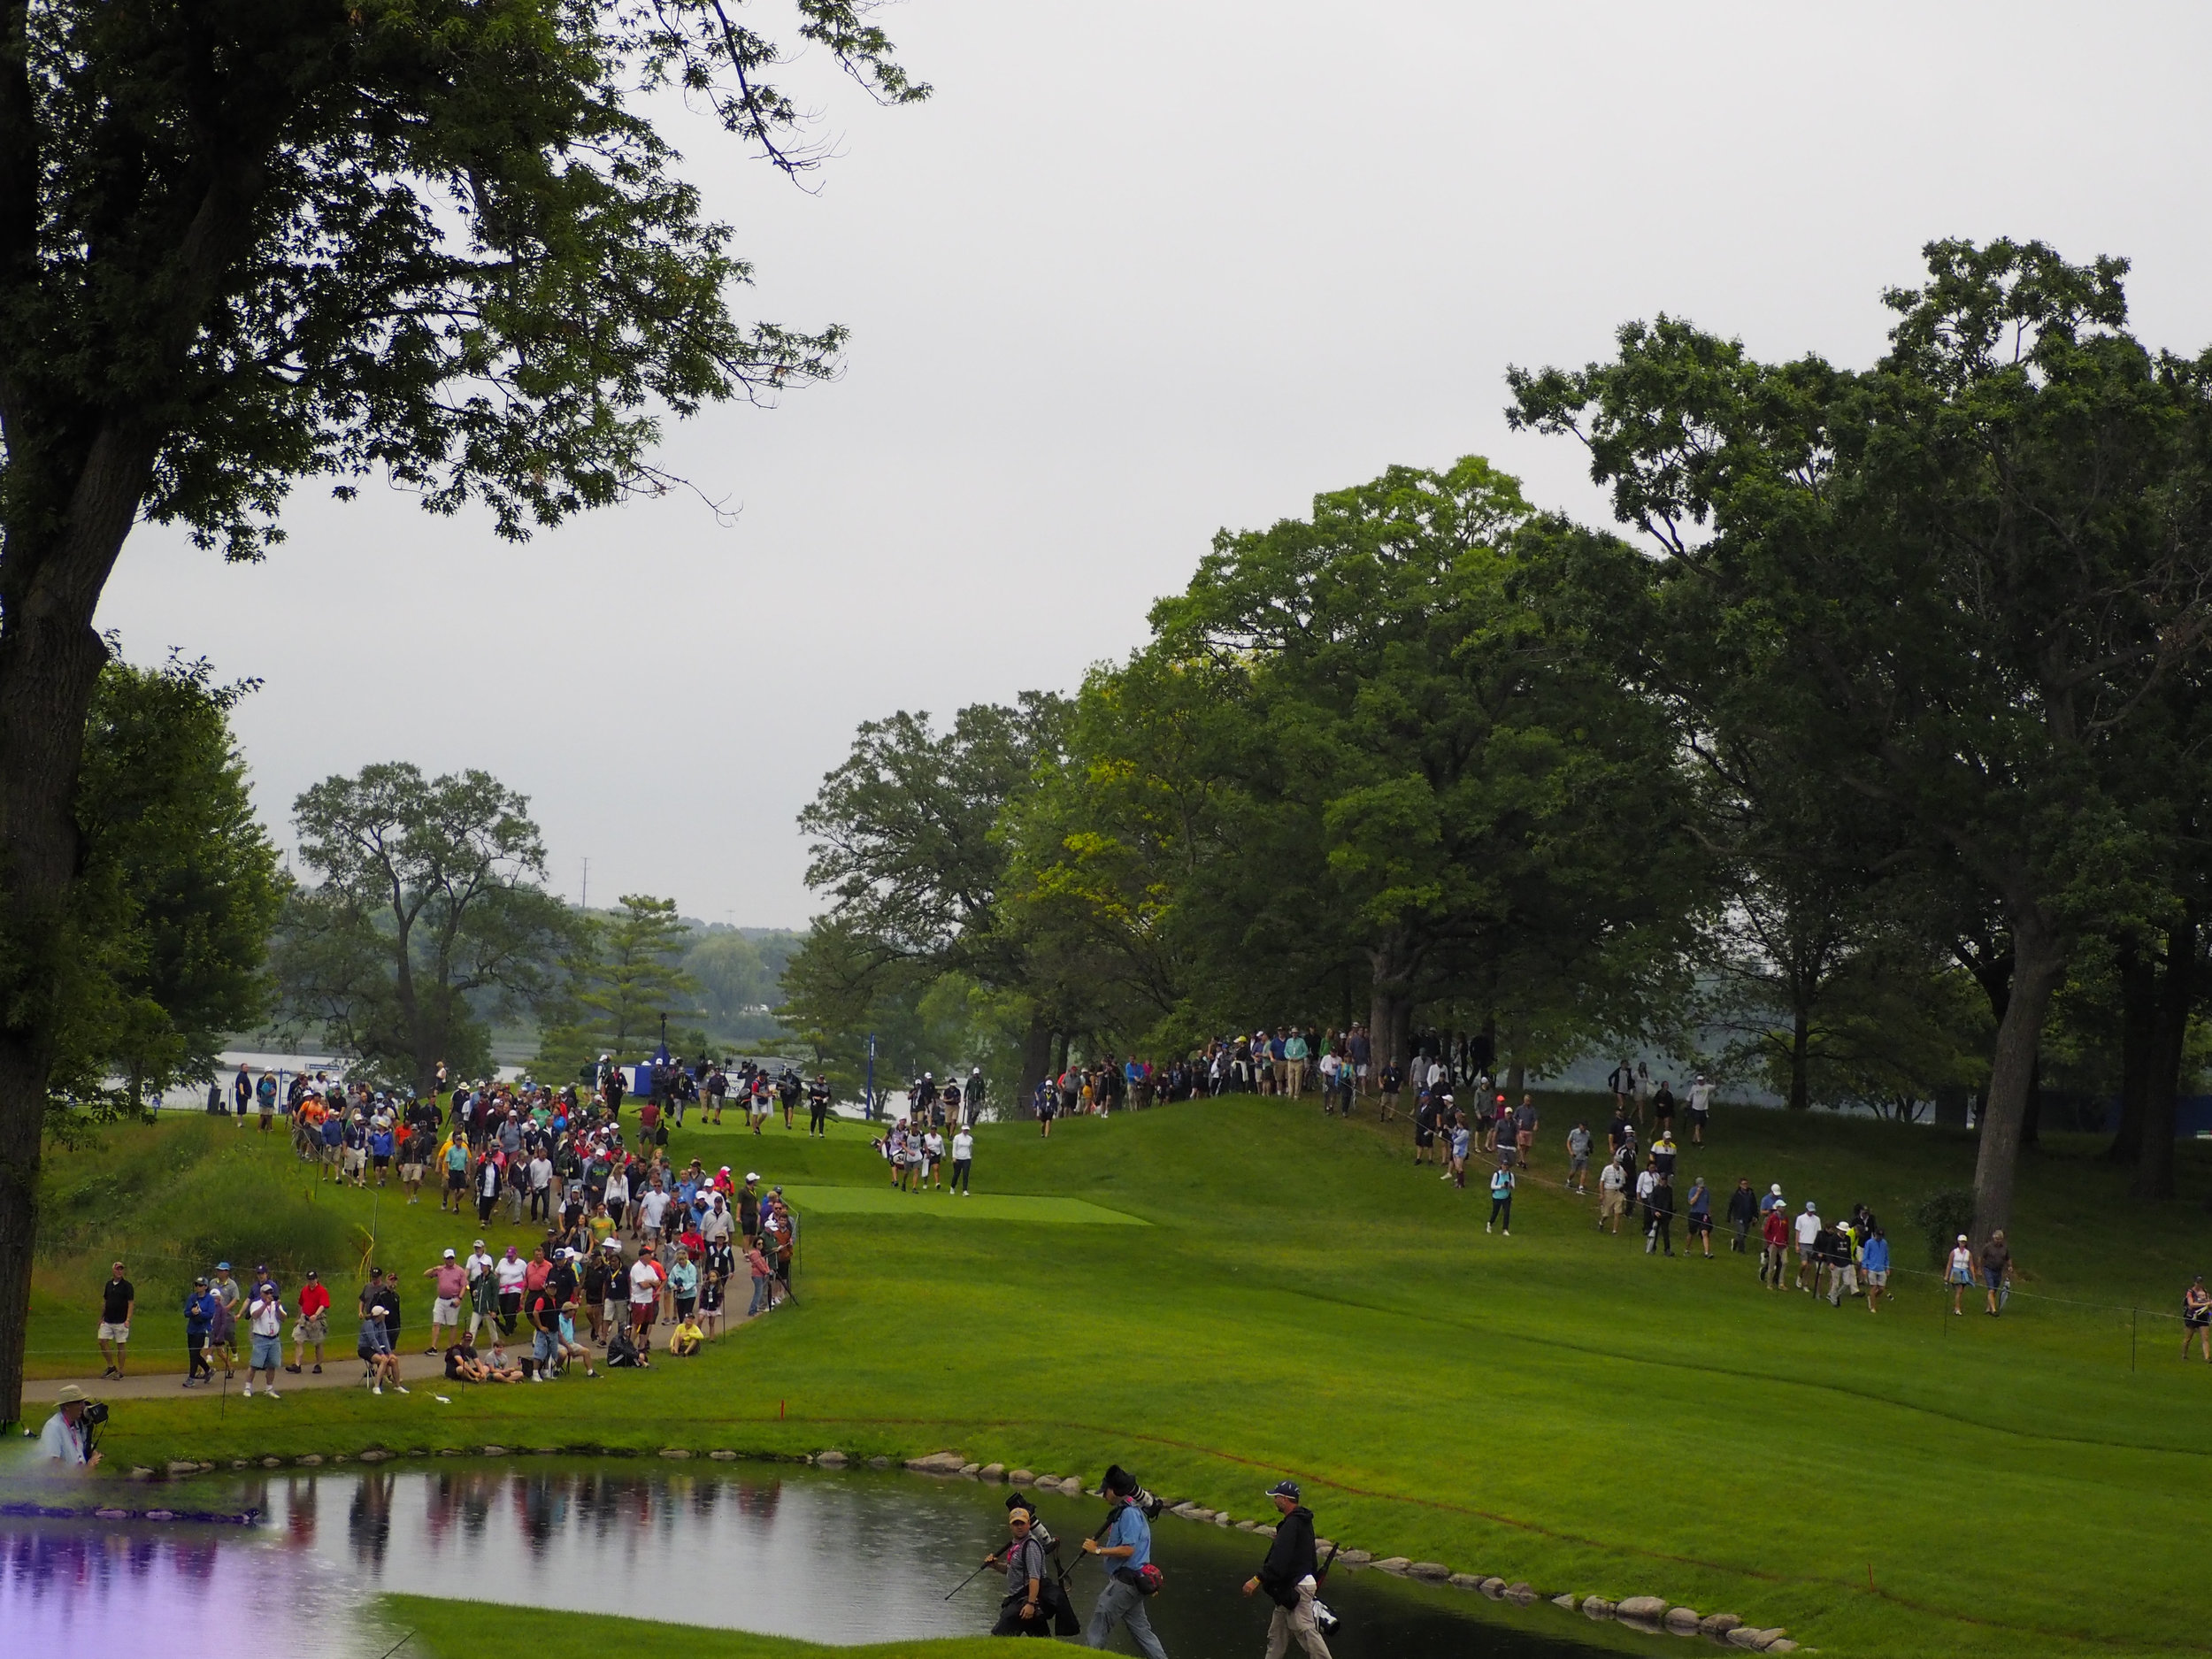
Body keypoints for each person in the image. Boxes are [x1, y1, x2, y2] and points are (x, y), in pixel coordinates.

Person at [1083, 1466, 1169, 1659]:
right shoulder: (1132, 1510)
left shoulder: (1129, 1514)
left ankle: (1088, 1655)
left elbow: (1128, 1550)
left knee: (1101, 1618)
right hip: (1136, 1582)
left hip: (1125, 1582)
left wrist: (1097, 1550)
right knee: (1142, 1632)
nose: (1103, 1496)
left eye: (1104, 1492)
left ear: (1114, 1490)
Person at [1246, 1479, 1330, 1659]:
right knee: (1277, 1636)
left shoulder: (1292, 1525)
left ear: (1285, 1499)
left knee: (1305, 1630)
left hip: (1295, 1588)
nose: (1274, 1500)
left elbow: (1278, 1560)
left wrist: (1257, 1579)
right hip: (1289, 1589)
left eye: (1276, 1497)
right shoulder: (1302, 1522)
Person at [989, 1503, 1053, 1637]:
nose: (1019, 1527)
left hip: (1025, 1602)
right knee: (1042, 1642)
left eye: (1022, 1523)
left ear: (1029, 1524)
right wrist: (995, 1565)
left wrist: (1030, 1604)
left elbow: (1035, 1578)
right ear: (1010, 1526)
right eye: (1016, 1523)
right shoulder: (1017, 1545)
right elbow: (1011, 1570)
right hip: (1019, 1600)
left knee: (998, 1638)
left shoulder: (1030, 1547)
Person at [357, 1268, 407, 1394]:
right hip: (366, 1348)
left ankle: (397, 1385)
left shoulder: (382, 1324)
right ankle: (377, 1386)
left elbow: (384, 1338)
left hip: (381, 1343)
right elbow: (373, 1340)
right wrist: (382, 1353)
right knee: (384, 1360)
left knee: (394, 1359)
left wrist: (389, 1352)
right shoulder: (369, 1325)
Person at [37, 1384, 99, 1468]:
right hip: (65, 1480)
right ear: (67, 1406)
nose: (83, 1406)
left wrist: (94, 1455)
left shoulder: (77, 1424)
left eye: (83, 1402)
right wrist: (84, 1471)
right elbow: (52, 1461)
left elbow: (86, 1446)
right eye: (79, 1402)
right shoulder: (53, 1427)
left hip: (80, 1478)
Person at [242, 1275, 285, 1397]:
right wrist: (265, 1305)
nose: (269, 1294)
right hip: (261, 1338)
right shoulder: (256, 1304)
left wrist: (277, 1309)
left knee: (272, 1365)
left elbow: (284, 1318)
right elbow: (255, 1316)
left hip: (274, 1338)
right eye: (267, 1293)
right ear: (262, 1293)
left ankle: (269, 1388)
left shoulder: (276, 1304)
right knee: (255, 1364)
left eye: (271, 1292)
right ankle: (248, 1387)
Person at [288, 1268, 331, 1374]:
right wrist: (298, 1318)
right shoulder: (305, 1290)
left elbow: (323, 1305)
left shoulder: (322, 1290)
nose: (311, 1282)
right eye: (309, 1279)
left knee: (318, 1343)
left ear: (317, 1279)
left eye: (313, 1279)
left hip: (317, 1319)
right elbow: (301, 1304)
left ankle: (318, 1365)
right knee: (298, 1339)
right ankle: (297, 1365)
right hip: (305, 1318)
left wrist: (315, 1315)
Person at [96, 1261, 134, 1380]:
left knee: (120, 1345)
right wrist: (101, 1317)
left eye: (121, 1269)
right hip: (108, 1320)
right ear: (113, 1270)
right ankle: (111, 1366)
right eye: (117, 1269)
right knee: (102, 1341)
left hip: (121, 1321)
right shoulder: (108, 1285)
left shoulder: (127, 1286)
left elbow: (131, 1303)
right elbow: (106, 1302)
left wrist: (128, 1319)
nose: (119, 1271)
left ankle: (121, 1370)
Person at [424, 1248, 466, 1355]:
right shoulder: (441, 1269)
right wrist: (435, 1268)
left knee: (452, 1324)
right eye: (448, 1258)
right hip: (441, 1300)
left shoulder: (460, 1271)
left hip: (453, 1299)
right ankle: (433, 1347)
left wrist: (459, 1299)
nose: (450, 1260)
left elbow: (464, 1286)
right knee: (436, 1323)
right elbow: (426, 1274)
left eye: (451, 1258)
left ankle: (450, 1347)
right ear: (444, 1259)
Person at [181, 1275, 218, 1386]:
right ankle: (208, 1370)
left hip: (203, 1330)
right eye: (196, 1285)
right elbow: (186, 1313)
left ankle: (191, 1378)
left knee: (194, 1353)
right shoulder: (192, 1297)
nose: (198, 1287)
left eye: (200, 1285)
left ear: (205, 1287)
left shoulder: (209, 1299)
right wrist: (192, 1312)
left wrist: (200, 1313)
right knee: (193, 1353)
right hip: (192, 1329)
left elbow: (211, 1314)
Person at [1981, 1230, 2013, 1316]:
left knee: (1994, 1290)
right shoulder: (1988, 1247)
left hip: (1998, 1271)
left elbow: (2008, 1258)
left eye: (1999, 1239)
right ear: (1993, 1238)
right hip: (1988, 1269)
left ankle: (1988, 1308)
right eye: (1996, 1239)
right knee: (1991, 1290)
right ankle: (1994, 1310)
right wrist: (1979, 1269)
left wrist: (2010, 1266)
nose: (1997, 1240)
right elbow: (1982, 1257)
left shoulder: (2005, 1248)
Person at [1862, 1227, 1890, 1314]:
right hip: (1871, 1268)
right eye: (1878, 1235)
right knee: (1873, 1287)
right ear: (1875, 1234)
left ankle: (1871, 1297)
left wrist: (1887, 1267)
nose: (1879, 1237)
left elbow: (1886, 1256)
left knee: (1881, 1289)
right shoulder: (1869, 1243)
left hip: (1881, 1268)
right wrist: (1864, 1267)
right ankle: (1873, 1307)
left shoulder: (1884, 1243)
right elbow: (1865, 1255)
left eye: (1881, 1236)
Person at [1946, 1233, 1976, 1314]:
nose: (1963, 1243)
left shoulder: (1968, 1253)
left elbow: (1971, 1265)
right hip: (1956, 1272)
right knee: (1959, 1290)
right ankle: (1957, 1308)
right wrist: (1946, 1276)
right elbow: (1949, 1264)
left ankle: (1956, 1307)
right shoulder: (1954, 1252)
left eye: (1964, 1242)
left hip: (1964, 1272)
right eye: (1961, 1242)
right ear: (1958, 1242)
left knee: (1960, 1291)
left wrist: (1973, 1275)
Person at [1725, 1178, 1757, 1256]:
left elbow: (1754, 1206)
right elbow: (1731, 1206)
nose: (1745, 1185)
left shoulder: (1751, 1194)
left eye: (1746, 1184)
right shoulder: (1736, 1195)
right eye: (1743, 1184)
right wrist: (1729, 1216)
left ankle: (1735, 1241)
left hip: (1748, 1217)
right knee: (1741, 1233)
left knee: (1744, 1234)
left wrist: (1755, 1216)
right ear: (1740, 1185)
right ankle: (1741, 1250)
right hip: (1738, 1217)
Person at [1596, 1155, 1625, 1235]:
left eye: (1619, 1162)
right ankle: (1601, 1222)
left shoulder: (1622, 1170)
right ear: (1614, 1161)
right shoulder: (1607, 1169)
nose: (1618, 1163)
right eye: (1617, 1161)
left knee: (1617, 1212)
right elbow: (1602, 1182)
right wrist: (1602, 1194)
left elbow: (1623, 1182)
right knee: (1606, 1214)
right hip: (1609, 1192)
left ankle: (1614, 1231)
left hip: (1618, 1192)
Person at [2185, 1275, 2212, 1361]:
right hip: (2193, 1316)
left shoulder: (2205, 1292)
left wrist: (2210, 1305)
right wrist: (2204, 1304)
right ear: (2194, 1282)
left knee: (2205, 1337)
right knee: (2188, 1338)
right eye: (2197, 1282)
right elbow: (2191, 1304)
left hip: (2204, 1316)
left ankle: (2207, 1358)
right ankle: (2184, 1354)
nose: (2199, 1284)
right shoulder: (2190, 1292)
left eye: (2200, 1282)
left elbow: (2209, 1304)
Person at [1686, 1176, 1713, 1258]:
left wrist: (1709, 1213)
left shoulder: (1706, 1192)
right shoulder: (1692, 1190)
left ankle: (1707, 1252)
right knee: (1692, 1232)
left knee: (1705, 1232)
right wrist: (1697, 1193)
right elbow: (1691, 1202)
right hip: (1694, 1213)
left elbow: (1707, 1203)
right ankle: (1687, 1249)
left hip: (1704, 1214)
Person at [1487, 1160, 1513, 1234]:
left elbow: (1513, 1186)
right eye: (1504, 1165)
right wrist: (1501, 1186)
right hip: (1497, 1196)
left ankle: (1505, 1229)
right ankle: (1490, 1223)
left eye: (1506, 1165)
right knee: (1495, 1212)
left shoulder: (1510, 1175)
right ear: (1501, 1166)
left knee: (1507, 1212)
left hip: (1506, 1197)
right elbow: (1492, 1186)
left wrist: (1509, 1186)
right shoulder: (1497, 1174)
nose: (1505, 1167)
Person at [1686, 1073, 1714, 1144]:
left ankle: (1693, 1140)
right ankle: (1699, 1141)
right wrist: (1688, 1103)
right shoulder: (1694, 1087)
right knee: (1697, 1126)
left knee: (1701, 1126)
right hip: (1696, 1109)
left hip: (1703, 1109)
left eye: (1701, 1080)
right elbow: (1689, 1096)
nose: (1700, 1082)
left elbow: (1714, 1086)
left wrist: (1713, 1079)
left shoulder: (1707, 1087)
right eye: (1699, 1080)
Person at [1565, 1123, 1591, 1194]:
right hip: (1575, 1155)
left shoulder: (1588, 1133)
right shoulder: (1574, 1132)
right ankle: (1569, 1180)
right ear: (1580, 1126)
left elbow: (1588, 1142)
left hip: (1584, 1155)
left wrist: (1589, 1149)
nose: (1584, 1128)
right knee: (1573, 1171)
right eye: (1583, 1126)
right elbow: (1568, 1142)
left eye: (1585, 1126)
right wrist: (1570, 1151)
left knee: (1584, 1171)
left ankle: (1581, 1187)